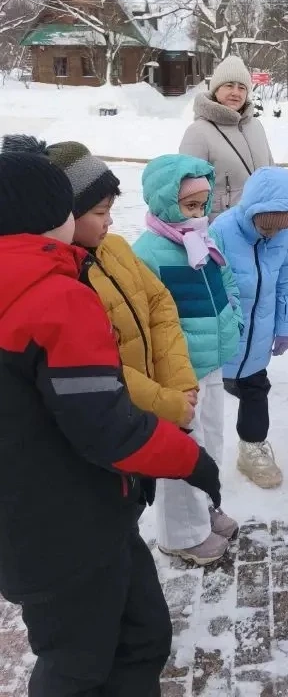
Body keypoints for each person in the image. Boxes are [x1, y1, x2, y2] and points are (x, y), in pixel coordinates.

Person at [0, 149, 220, 697]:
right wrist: (190, 457)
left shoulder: (46, 277)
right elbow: (106, 423)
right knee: (78, 665)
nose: (106, 220)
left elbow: (157, 309)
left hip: (65, 518)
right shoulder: (54, 297)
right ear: (59, 214)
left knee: (139, 636)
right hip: (65, 526)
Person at [1, 136, 201, 430]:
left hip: (160, 411)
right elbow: (98, 367)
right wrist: (167, 403)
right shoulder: (59, 284)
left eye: (110, 209)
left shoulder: (116, 247)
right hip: (116, 425)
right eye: (99, 212)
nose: (110, 221)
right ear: (64, 214)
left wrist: (178, 382)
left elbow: (159, 303)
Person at [133, 155, 242, 566]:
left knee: (210, 442)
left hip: (211, 362)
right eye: (188, 206)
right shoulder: (148, 253)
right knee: (183, 450)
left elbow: (226, 281)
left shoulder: (204, 240)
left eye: (202, 205)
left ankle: (204, 508)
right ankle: (181, 533)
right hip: (178, 373)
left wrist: (234, 315)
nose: (197, 214)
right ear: (165, 202)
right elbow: (147, 320)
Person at [212, 166, 288, 488]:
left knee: (256, 389)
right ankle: (199, 452)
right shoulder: (221, 231)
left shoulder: (285, 237)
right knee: (207, 397)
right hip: (222, 337)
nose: (272, 235)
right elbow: (210, 285)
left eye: (280, 228)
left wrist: (285, 326)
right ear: (250, 212)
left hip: (258, 336)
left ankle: (252, 448)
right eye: (265, 227)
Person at [179, 54, 273, 217]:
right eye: (229, 85)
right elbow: (187, 193)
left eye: (242, 87)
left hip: (261, 222)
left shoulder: (256, 126)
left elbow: (271, 171)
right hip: (220, 225)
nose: (236, 92)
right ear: (216, 89)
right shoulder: (198, 132)